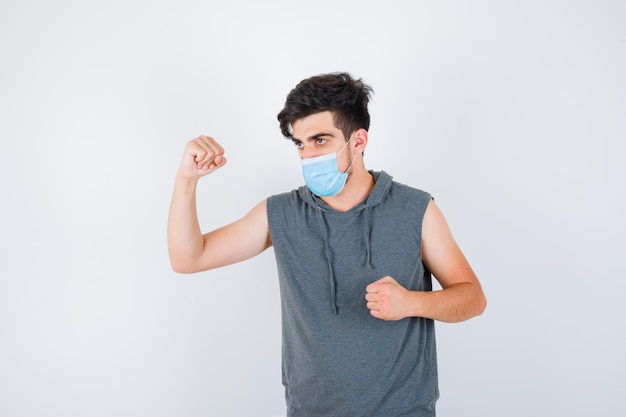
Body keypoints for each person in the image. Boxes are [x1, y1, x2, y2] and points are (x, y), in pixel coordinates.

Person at [167, 72, 486, 417]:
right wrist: (186, 180)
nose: (308, 155)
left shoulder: (415, 209)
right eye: (300, 143)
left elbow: (472, 297)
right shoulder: (281, 214)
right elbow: (188, 258)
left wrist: (411, 303)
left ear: (358, 140)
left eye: (320, 140)